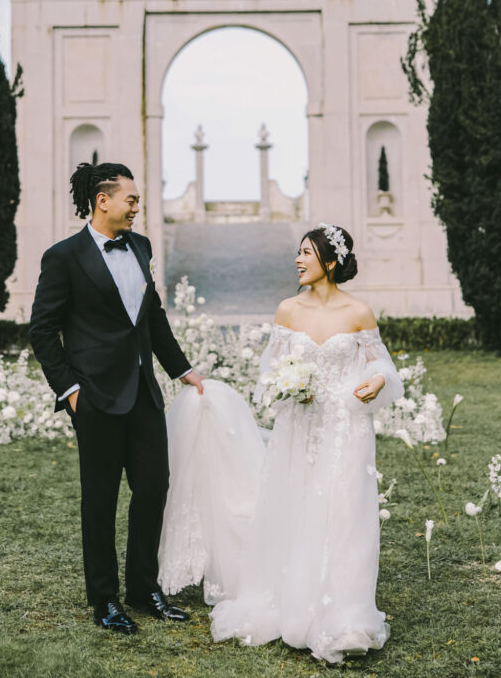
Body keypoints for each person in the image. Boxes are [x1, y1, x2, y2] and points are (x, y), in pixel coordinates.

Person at [158, 223, 404, 665]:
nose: (298, 259)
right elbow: (269, 372)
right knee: (297, 509)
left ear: (331, 261)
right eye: (298, 251)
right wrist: (288, 386)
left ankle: (346, 615)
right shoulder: (288, 310)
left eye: (307, 252)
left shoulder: (359, 312)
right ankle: (293, 604)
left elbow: (380, 363)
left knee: (345, 514)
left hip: (346, 428)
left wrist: (378, 380)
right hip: (299, 428)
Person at [29, 161, 204, 635]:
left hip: (144, 393)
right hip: (95, 398)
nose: (136, 208)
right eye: (131, 200)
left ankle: (144, 589)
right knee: (100, 501)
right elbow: (42, 330)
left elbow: (152, 316)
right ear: (102, 201)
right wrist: (70, 391)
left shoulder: (140, 246)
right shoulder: (63, 257)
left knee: (153, 487)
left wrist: (182, 369)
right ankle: (105, 599)